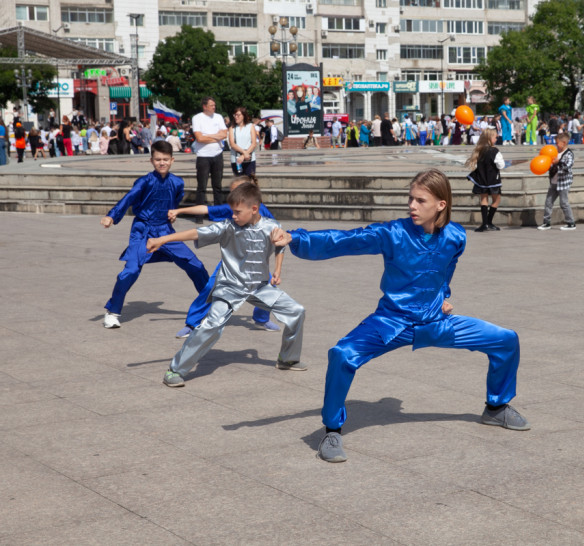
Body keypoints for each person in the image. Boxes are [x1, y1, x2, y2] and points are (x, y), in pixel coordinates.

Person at [272, 169, 529, 463]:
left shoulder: (456, 236)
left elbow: (446, 269)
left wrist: (444, 295)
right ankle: (331, 431)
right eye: (410, 199)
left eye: (420, 201)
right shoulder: (393, 233)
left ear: (441, 205)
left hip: (435, 322)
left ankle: (496, 408)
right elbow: (344, 240)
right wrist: (295, 238)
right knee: (342, 354)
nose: (412, 206)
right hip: (392, 322)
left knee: (505, 340)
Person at [149, 181, 307, 387]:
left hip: (259, 287)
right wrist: (162, 240)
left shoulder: (272, 226)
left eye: (237, 212)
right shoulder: (227, 227)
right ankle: (175, 370)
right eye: (232, 211)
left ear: (254, 209)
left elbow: (280, 246)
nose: (233, 216)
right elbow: (196, 233)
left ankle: (287, 359)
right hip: (230, 286)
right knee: (212, 324)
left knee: (296, 311)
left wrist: (277, 270)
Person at [100, 141, 210, 328]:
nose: (162, 163)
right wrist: (111, 216)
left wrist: (172, 214)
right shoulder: (144, 182)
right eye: (158, 159)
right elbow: (129, 198)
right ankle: (112, 312)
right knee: (130, 271)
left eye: (165, 159)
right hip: (142, 230)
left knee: (195, 266)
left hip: (165, 231)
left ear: (172, 160)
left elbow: (174, 202)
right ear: (151, 160)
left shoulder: (177, 182)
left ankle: (210, 308)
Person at [167, 177, 283, 338]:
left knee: (269, 288)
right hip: (232, 262)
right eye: (231, 192)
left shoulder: (261, 211)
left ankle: (261, 318)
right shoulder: (233, 209)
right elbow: (206, 210)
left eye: (236, 191)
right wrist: (179, 211)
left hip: (255, 262)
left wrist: (277, 268)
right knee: (210, 288)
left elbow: (278, 237)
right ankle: (192, 324)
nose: (233, 196)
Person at [466, 128, 505, 232]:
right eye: (495, 137)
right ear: (490, 138)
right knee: (496, 200)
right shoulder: (495, 151)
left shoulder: (479, 150)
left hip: (482, 179)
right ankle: (489, 222)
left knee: (484, 199)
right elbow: (501, 165)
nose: (496, 138)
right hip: (493, 180)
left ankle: (484, 224)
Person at [193, 96, 228, 208]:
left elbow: (224, 134)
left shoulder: (218, 117)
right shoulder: (197, 118)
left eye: (214, 105)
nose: (214, 107)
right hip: (203, 155)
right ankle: (199, 212)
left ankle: (218, 210)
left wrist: (207, 135)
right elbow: (199, 138)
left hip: (217, 154)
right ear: (204, 106)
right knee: (202, 186)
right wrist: (216, 137)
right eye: (211, 105)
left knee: (217, 185)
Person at [537, 132, 576, 231]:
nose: (556, 145)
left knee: (564, 203)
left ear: (564, 143)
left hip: (563, 183)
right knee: (548, 202)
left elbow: (567, 167)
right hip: (554, 182)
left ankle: (571, 223)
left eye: (557, 143)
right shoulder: (555, 153)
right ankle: (546, 223)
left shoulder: (569, 154)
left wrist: (558, 162)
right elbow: (550, 165)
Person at [227, 106, 258, 176]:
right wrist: (244, 153)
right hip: (236, 159)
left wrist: (244, 156)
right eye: (235, 115)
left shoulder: (250, 126)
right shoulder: (232, 128)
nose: (236, 117)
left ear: (243, 116)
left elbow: (253, 144)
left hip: (249, 158)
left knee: (249, 180)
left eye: (238, 115)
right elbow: (232, 144)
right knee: (239, 180)